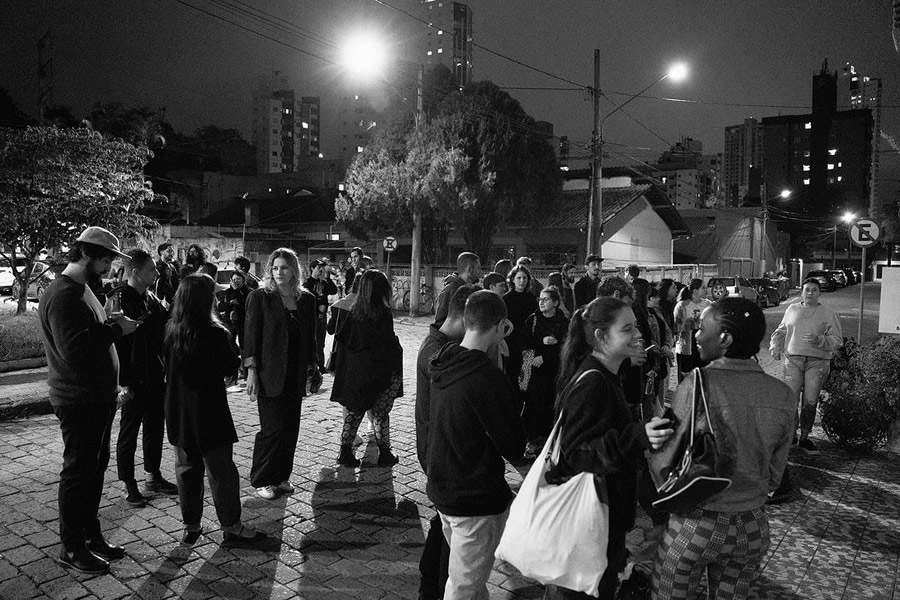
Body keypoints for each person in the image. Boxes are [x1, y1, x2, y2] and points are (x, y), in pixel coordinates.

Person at [652, 298, 794, 600]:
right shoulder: (782, 394)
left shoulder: (697, 383)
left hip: (696, 523)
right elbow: (775, 476)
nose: (696, 335)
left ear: (725, 339)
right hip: (752, 527)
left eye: (702, 329)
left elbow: (664, 460)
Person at [544, 297, 671, 599]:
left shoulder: (605, 374)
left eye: (636, 327)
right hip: (590, 521)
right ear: (601, 336)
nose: (637, 335)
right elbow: (576, 454)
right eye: (627, 329)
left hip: (604, 518)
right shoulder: (594, 383)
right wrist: (636, 437)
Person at [38, 226, 140, 575]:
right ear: (86, 253)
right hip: (78, 399)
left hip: (97, 397)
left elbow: (87, 333)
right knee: (78, 472)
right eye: (106, 258)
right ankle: (71, 546)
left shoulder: (82, 289)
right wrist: (115, 330)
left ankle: (90, 534)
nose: (110, 265)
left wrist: (109, 323)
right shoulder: (64, 294)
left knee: (94, 469)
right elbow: (75, 351)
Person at [425, 290, 525, 600]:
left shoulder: (442, 361)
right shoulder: (486, 377)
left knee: (470, 582)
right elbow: (513, 443)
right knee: (464, 588)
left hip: (444, 488)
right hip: (474, 498)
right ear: (500, 325)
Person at [164, 274, 270, 549]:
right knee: (221, 471)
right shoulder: (215, 332)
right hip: (209, 410)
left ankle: (191, 525)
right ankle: (231, 526)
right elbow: (229, 367)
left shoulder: (171, 330)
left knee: (186, 469)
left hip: (178, 410)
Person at [415, 284, 477, 600]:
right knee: (450, 529)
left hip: (438, 447)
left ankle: (429, 583)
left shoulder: (443, 346)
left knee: (443, 523)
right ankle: (435, 587)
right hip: (438, 450)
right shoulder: (438, 353)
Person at [244, 248, 317, 500]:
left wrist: (313, 366)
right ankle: (262, 479)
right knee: (272, 429)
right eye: (275, 268)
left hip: (295, 373)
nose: (279, 272)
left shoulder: (306, 299)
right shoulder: (260, 297)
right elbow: (251, 337)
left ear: (294, 270)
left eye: (284, 267)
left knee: (290, 428)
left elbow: (310, 336)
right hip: (269, 372)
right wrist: (251, 371)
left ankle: (282, 476)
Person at [111, 249, 177, 509]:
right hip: (133, 378)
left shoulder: (150, 297)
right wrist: (123, 383)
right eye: (151, 269)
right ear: (136, 272)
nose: (156, 272)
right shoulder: (119, 299)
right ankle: (128, 483)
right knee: (129, 431)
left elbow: (165, 324)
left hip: (155, 374)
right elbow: (116, 346)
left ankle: (153, 475)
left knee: (154, 427)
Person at [330, 270, 404, 467]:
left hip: (357, 374)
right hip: (380, 374)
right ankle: (385, 453)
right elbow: (387, 346)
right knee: (380, 415)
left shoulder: (353, 313)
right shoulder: (383, 314)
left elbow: (343, 340)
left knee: (354, 414)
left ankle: (345, 453)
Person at [770, 277, 843, 455]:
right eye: (807, 289)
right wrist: (775, 346)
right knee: (790, 399)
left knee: (810, 400)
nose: (810, 292)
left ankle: (804, 436)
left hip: (817, 362)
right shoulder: (792, 309)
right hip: (793, 360)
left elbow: (837, 340)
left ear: (819, 293)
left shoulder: (828, 313)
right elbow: (781, 330)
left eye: (814, 290)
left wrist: (820, 340)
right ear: (802, 292)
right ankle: (791, 435)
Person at [521, 286, 568, 459]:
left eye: (545, 299)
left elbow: (565, 348)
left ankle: (550, 443)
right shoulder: (532, 320)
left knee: (552, 406)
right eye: (540, 299)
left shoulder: (564, 322)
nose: (541, 302)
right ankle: (533, 441)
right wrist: (539, 346)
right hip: (534, 371)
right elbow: (524, 343)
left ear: (555, 303)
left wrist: (546, 358)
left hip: (554, 371)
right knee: (533, 406)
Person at [503, 265, 538, 388]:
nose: (522, 281)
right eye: (519, 278)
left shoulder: (532, 299)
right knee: (512, 377)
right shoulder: (506, 299)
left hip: (528, 342)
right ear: (512, 279)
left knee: (525, 379)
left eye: (524, 278)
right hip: (511, 341)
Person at [304, 259, 338, 372]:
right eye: (318, 268)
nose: (321, 270)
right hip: (311, 317)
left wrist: (327, 277)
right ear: (312, 268)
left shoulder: (324, 282)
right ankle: (311, 365)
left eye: (322, 268)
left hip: (322, 317)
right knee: (311, 342)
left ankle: (321, 366)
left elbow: (333, 291)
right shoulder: (307, 282)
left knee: (321, 342)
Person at [673, 279, 709, 381]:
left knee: (701, 378)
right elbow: (676, 327)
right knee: (686, 379)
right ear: (695, 290)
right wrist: (688, 324)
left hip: (702, 345)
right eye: (703, 288)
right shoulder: (682, 305)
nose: (706, 290)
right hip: (686, 346)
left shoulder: (708, 304)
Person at [434, 251, 482, 327]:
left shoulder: (466, 288)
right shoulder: (453, 290)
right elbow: (440, 321)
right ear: (470, 269)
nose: (480, 272)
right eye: (478, 268)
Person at [154, 242, 180, 306]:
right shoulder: (155, 266)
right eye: (169, 251)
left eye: (172, 251)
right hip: (160, 301)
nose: (171, 254)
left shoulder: (172, 267)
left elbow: (176, 283)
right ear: (161, 252)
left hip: (173, 302)